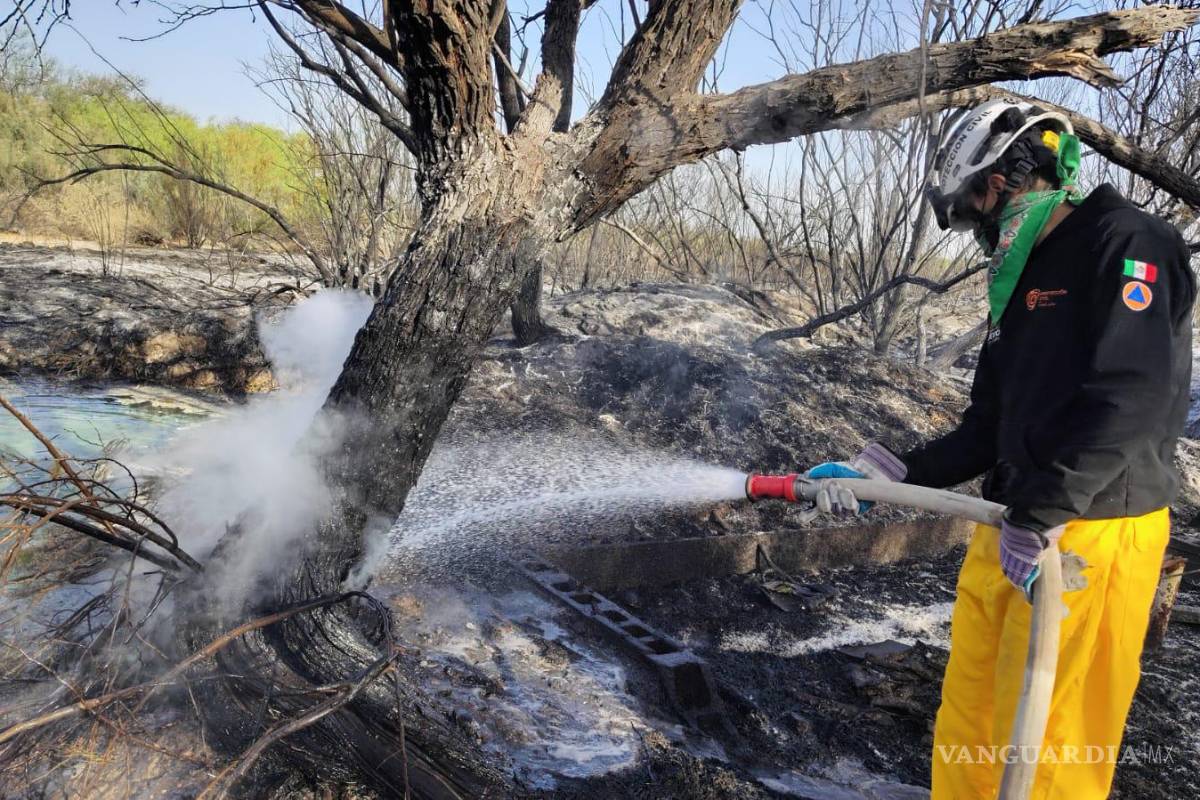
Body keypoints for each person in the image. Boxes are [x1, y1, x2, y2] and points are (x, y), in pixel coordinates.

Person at [806, 99, 1196, 799]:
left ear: (1018, 172)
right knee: (972, 719)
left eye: (976, 203)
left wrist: (1044, 511)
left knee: (1049, 744)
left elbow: (1131, 398)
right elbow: (991, 423)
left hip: (1092, 534)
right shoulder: (1023, 274)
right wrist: (896, 471)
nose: (979, 229)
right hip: (1013, 526)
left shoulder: (1130, 243)